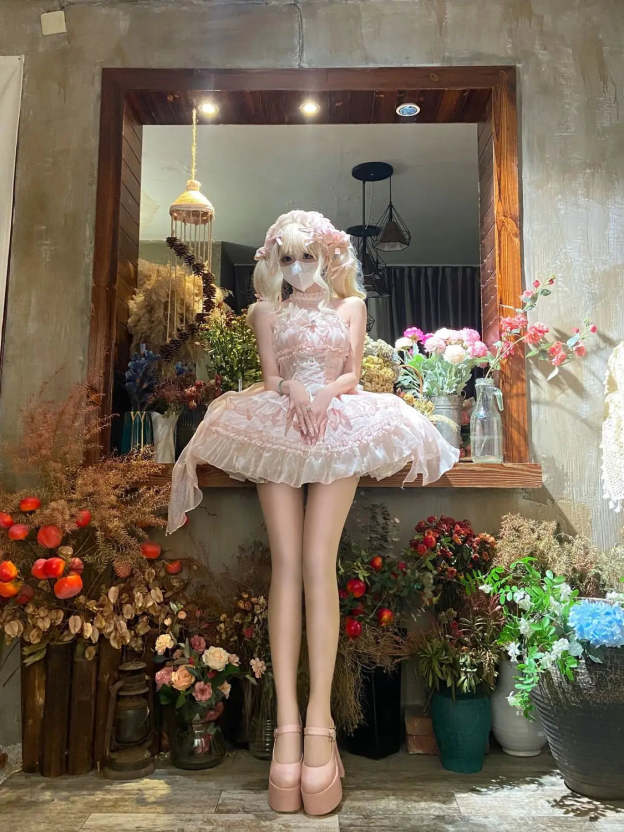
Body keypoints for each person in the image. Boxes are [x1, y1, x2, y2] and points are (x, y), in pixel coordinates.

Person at [166, 209, 460, 815]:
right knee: (288, 566)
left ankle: (320, 723)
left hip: (335, 423)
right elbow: (272, 376)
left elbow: (351, 374)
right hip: (278, 423)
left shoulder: (350, 308)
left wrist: (323, 392)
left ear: (328, 256)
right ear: (275, 262)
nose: (298, 268)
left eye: (308, 256)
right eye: (288, 258)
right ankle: (288, 727)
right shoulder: (264, 312)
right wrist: (294, 389)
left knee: (318, 564)